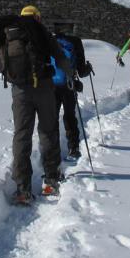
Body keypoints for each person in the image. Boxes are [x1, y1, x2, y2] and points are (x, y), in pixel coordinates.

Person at [0, 5, 73, 204]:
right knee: (48, 131)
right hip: (44, 88)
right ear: (37, 17)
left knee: (22, 135)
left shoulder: (8, 34)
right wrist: (70, 74)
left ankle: (22, 189)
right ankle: (51, 180)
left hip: (20, 92)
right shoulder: (41, 32)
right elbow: (60, 57)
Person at [52, 32, 92, 162]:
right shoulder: (75, 41)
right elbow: (82, 71)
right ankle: (73, 149)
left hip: (51, 85)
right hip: (69, 84)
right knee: (70, 116)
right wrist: (88, 68)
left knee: (52, 119)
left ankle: (53, 152)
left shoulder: (48, 39)